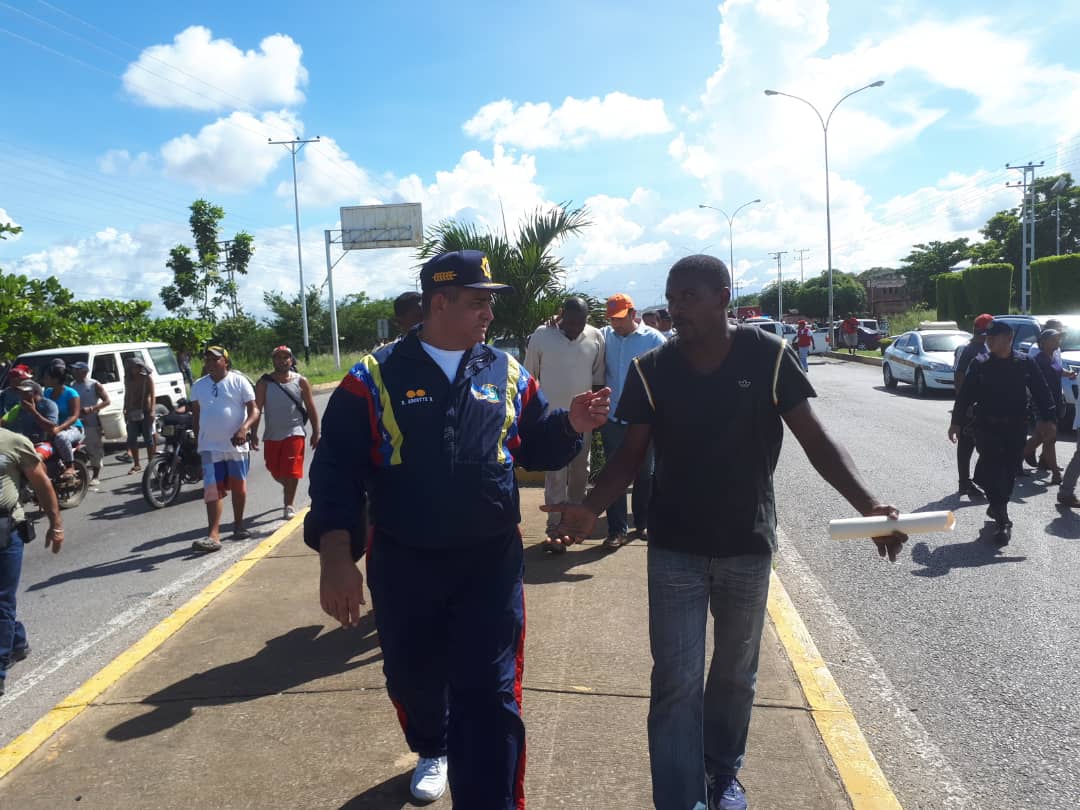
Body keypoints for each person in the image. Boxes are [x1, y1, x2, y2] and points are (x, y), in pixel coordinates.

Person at [543, 254, 906, 810]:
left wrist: (869, 504)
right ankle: (680, 796)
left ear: (723, 298)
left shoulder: (769, 357)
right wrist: (591, 507)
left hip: (747, 542)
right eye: (672, 296)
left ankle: (721, 773)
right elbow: (630, 456)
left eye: (689, 295)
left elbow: (815, 439)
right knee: (676, 682)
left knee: (736, 675)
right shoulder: (653, 370)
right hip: (674, 547)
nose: (676, 307)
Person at [306, 249, 611, 807]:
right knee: (412, 678)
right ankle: (431, 746)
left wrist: (571, 423)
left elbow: (537, 441)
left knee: (491, 695)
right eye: (478, 302)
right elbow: (334, 471)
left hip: (488, 565)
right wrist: (335, 556)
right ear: (439, 302)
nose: (488, 314)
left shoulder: (506, 371)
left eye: (490, 303)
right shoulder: (371, 378)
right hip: (403, 563)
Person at [949, 320, 1056, 539]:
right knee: (993, 469)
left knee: (1007, 472)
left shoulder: (1024, 362)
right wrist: (956, 422)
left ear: (1008, 338)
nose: (988, 341)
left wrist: (1048, 419)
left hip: (1016, 428)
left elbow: (1042, 392)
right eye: (986, 338)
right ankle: (1002, 518)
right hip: (987, 427)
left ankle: (996, 505)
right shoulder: (981, 364)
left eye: (993, 338)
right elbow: (965, 395)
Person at [525, 296, 606, 553]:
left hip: (583, 420)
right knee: (556, 474)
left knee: (581, 471)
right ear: (561, 316)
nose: (575, 328)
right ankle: (553, 529)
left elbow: (597, 379)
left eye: (580, 323)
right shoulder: (541, 335)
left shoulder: (596, 337)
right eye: (570, 322)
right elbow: (530, 377)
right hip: (552, 421)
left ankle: (571, 525)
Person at [0, 424, 64, 696]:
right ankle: (16, 641)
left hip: (6, 531)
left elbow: (41, 482)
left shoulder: (12, 441)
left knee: (2, 599)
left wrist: (56, 524)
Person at [600, 292, 666, 548]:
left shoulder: (653, 339)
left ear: (632, 313)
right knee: (614, 473)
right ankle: (617, 530)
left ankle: (644, 523)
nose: (615, 323)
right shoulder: (605, 336)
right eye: (612, 319)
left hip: (644, 420)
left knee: (645, 474)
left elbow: (665, 376)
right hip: (614, 418)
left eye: (619, 318)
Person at [189, 346, 259, 553]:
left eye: (215, 359)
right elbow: (196, 416)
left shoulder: (239, 381)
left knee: (238, 487)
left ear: (225, 362)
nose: (210, 362)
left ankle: (238, 525)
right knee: (213, 490)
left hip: (236, 446)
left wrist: (245, 428)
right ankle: (214, 535)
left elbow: (254, 409)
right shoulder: (198, 386)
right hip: (210, 447)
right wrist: (198, 440)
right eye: (207, 359)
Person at [253, 346, 320, 520]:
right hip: (272, 435)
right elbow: (257, 409)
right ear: (273, 360)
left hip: (295, 432)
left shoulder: (301, 381)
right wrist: (253, 433)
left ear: (291, 360)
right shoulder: (264, 383)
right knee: (273, 468)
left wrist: (316, 432)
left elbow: (311, 407)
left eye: (285, 357)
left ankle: (288, 504)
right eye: (278, 358)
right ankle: (289, 486)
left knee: (291, 470)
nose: (282, 361)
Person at [953, 314, 993, 498]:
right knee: (968, 444)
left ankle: (971, 480)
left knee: (975, 444)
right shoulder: (971, 350)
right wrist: (964, 405)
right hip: (971, 406)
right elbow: (960, 377)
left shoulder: (982, 347)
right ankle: (966, 482)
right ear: (984, 332)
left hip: (980, 404)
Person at [70, 362, 110, 487]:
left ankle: (96, 475)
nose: (74, 373)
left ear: (84, 372)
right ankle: (80, 475)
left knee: (94, 449)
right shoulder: (72, 385)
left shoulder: (94, 384)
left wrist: (92, 408)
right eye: (74, 370)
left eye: (77, 370)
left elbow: (107, 401)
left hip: (92, 421)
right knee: (77, 449)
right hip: (77, 422)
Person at [119, 355, 156, 473]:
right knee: (132, 439)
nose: (134, 369)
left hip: (146, 410)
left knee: (148, 438)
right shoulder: (128, 379)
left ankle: (151, 463)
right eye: (132, 367)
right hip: (132, 411)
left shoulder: (147, 378)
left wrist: (153, 411)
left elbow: (153, 395)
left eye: (136, 367)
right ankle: (136, 464)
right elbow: (127, 394)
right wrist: (125, 408)